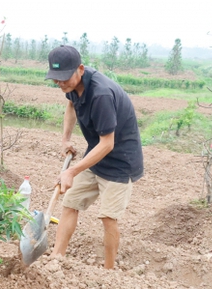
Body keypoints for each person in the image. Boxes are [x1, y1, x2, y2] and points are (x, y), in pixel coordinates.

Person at [45, 45, 143, 269]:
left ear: (80, 69)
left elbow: (108, 144)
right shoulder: (71, 84)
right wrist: (66, 139)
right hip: (95, 155)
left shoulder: (101, 94)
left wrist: (71, 171)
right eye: (55, 78)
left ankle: (108, 272)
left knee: (108, 217)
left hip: (120, 162)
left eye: (63, 78)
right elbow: (71, 104)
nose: (60, 83)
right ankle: (55, 259)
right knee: (70, 203)